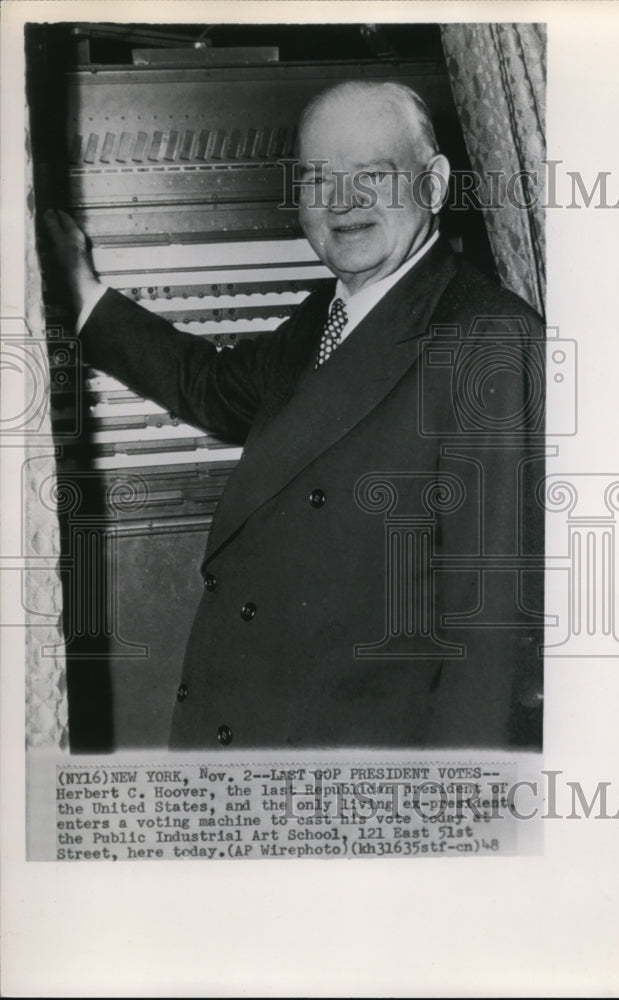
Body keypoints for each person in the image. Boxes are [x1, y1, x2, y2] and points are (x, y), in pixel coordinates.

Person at [44, 80, 544, 750]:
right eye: (317, 177)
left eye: (372, 173)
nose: (342, 201)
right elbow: (215, 386)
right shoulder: (326, 314)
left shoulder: (484, 335)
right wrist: (80, 290)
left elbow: (493, 634)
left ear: (433, 183)